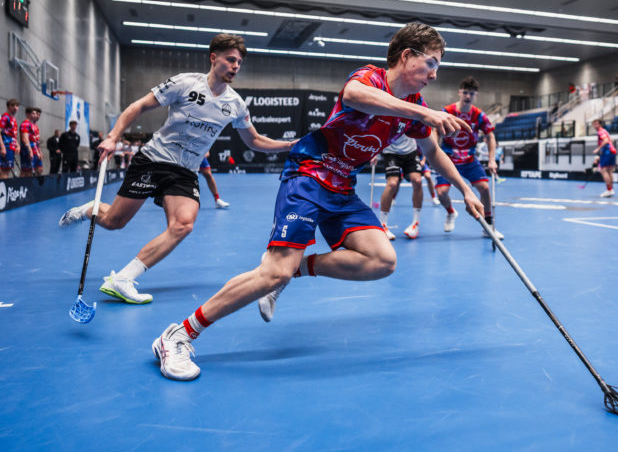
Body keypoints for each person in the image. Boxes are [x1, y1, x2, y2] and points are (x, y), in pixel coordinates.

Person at [150, 22, 484, 381]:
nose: (434, 75)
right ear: (406, 56)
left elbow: (433, 153)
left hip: (342, 187)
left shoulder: (415, 106)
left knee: (382, 260)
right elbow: (353, 95)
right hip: (309, 174)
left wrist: (465, 189)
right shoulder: (371, 79)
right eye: (431, 63)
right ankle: (179, 334)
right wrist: (423, 114)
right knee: (272, 271)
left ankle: (292, 271)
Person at [58, 33, 295, 305]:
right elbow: (139, 106)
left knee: (183, 225)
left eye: (239, 62)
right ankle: (89, 209)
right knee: (114, 222)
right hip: (154, 160)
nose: (235, 66)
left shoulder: (236, 104)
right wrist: (113, 137)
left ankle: (123, 279)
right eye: (231, 60)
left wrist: (290, 145)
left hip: (185, 171)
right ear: (213, 57)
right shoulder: (185, 83)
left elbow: (254, 141)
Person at [436, 76, 501, 239]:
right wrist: (434, 151)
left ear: (475, 96)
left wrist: (492, 159)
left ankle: (488, 226)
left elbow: (490, 136)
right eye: (465, 92)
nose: (467, 96)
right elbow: (435, 130)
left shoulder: (479, 115)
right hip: (449, 158)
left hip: (469, 159)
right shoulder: (447, 111)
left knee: (484, 188)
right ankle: (450, 212)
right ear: (459, 92)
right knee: (442, 192)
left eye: (471, 94)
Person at [373, 133, 426, 240]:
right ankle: (383, 225)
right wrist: (374, 153)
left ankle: (415, 223)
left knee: (417, 181)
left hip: (410, 151)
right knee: (392, 183)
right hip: (391, 152)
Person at [591, 119, 616, 197]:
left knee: (603, 170)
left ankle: (609, 190)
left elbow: (605, 140)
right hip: (612, 151)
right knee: (609, 171)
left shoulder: (600, 131)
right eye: (593, 124)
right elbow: (611, 140)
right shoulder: (605, 131)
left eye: (596, 124)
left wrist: (598, 149)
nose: (594, 126)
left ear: (600, 124)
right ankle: (611, 190)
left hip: (607, 152)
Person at [18, 106, 43, 176]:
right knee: (26, 172)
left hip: (35, 150)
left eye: (36, 114)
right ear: (28, 114)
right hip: (27, 150)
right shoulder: (25, 124)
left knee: (39, 169)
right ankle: (21, 182)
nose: (35, 115)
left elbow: (37, 141)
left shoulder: (34, 125)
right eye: (33, 113)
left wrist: (39, 151)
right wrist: (29, 150)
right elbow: (25, 138)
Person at [0, 99, 20, 179]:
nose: (15, 107)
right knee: (4, 172)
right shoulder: (5, 117)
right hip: (6, 147)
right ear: (8, 107)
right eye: (13, 105)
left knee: (7, 171)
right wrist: (2, 147)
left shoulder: (13, 119)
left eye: (17, 106)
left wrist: (17, 145)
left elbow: (12, 135)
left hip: (11, 148)